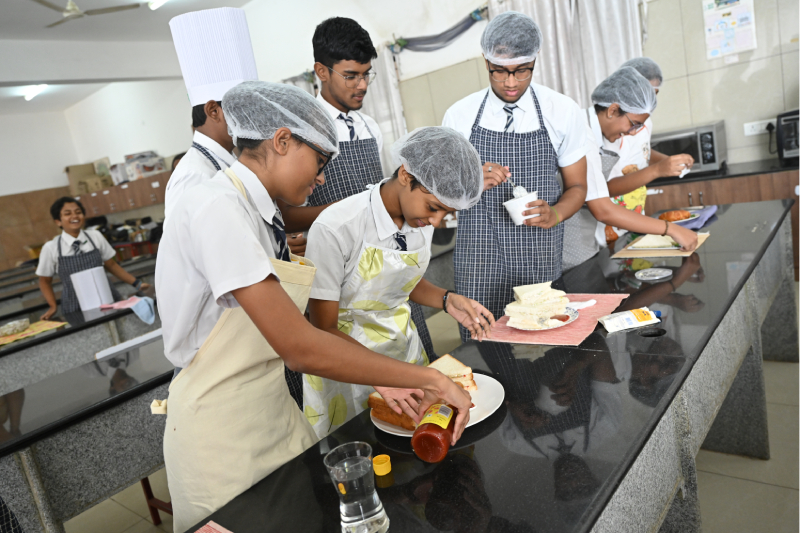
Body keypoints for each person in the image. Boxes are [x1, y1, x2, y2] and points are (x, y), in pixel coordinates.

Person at [154, 81, 472, 532]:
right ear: (282, 140)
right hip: (220, 434)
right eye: (320, 161)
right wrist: (430, 378)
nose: (322, 177)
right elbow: (300, 346)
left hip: (275, 412)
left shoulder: (259, 214)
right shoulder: (214, 205)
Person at [304, 127, 494, 438]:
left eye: (445, 213)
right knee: (366, 447)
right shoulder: (338, 227)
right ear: (406, 175)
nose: (435, 221)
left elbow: (395, 280)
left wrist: (447, 299)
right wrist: (380, 375)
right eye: (433, 208)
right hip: (347, 362)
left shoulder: (419, 218)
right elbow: (322, 327)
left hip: (403, 352)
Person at [279, 17, 439, 359]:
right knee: (355, 374)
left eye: (366, 74)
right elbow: (284, 216)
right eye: (350, 76)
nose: (362, 84)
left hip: (385, 271)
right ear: (321, 71)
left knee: (409, 360)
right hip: (337, 276)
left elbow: (390, 194)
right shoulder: (301, 131)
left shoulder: (370, 126)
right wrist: (348, 214)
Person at [442, 11, 589, 335]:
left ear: (535, 60)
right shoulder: (459, 116)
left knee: (546, 346)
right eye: (500, 72)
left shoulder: (562, 111)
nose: (511, 82)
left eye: (522, 71)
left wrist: (556, 213)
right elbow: (439, 198)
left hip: (539, 257)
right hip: (479, 263)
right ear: (486, 62)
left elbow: (578, 186)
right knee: (484, 348)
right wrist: (471, 181)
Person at [561, 67, 698, 269]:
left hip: (583, 241)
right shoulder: (581, 134)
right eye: (633, 124)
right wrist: (671, 229)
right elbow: (603, 209)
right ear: (613, 110)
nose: (633, 133)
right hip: (563, 245)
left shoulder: (605, 135)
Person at [164, 7, 259, 221]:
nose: (251, 116)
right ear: (213, 111)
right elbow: (186, 246)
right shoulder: (194, 174)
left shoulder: (229, 159)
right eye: (242, 106)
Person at [600, 57, 695, 244]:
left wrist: (669, 162)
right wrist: (658, 170)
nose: (649, 102)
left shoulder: (645, 122)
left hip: (636, 211)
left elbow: (642, 153)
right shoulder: (612, 128)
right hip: (610, 220)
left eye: (654, 94)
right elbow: (605, 188)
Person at [36, 197, 151, 320]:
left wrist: (137, 283)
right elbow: (44, 281)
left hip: (107, 297)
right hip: (75, 305)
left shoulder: (95, 236)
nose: (75, 216)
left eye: (78, 212)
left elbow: (111, 265)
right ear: (58, 221)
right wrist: (53, 306)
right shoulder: (51, 248)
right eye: (67, 214)